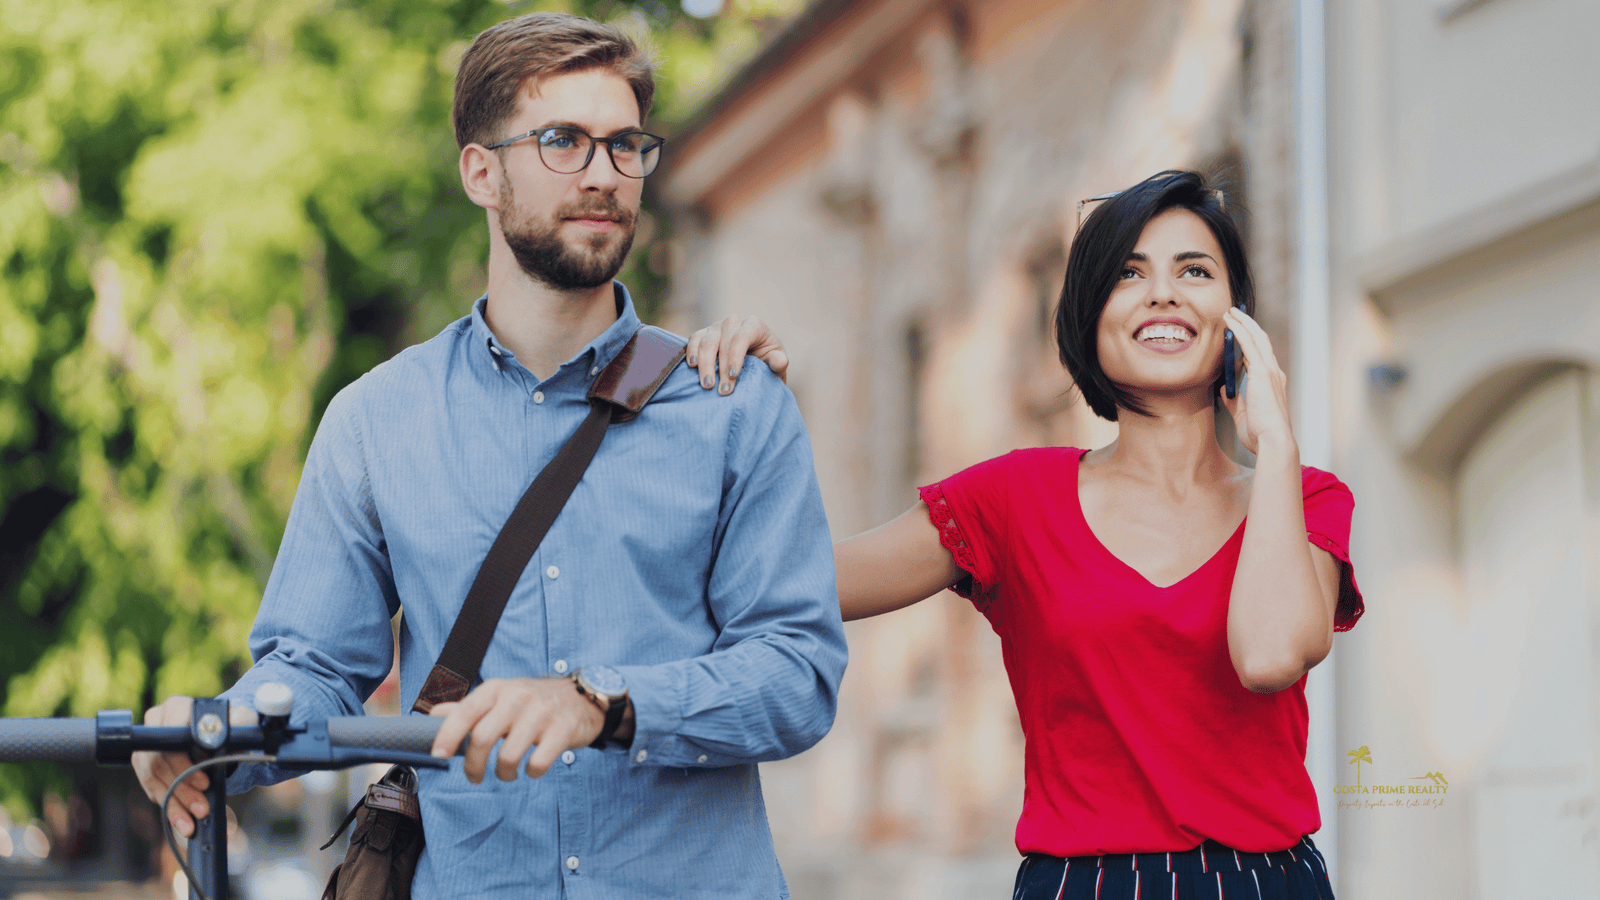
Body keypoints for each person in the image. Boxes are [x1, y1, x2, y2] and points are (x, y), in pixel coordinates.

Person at [132, 13, 846, 899]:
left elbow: (797, 672)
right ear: (481, 171)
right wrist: (207, 734)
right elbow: (315, 670)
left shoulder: (731, 407)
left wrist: (601, 703)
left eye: (625, 146)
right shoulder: (375, 421)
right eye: (563, 142)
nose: (603, 175)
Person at [688, 170, 1361, 899]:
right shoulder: (1013, 498)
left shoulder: (1305, 499)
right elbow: (779, 584)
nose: (1163, 293)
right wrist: (739, 416)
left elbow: (1267, 656)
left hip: (1266, 883)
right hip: (1085, 885)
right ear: (1086, 314)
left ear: (1237, 318)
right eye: (1128, 274)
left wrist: (1278, 444)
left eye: (1194, 271)